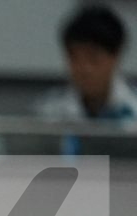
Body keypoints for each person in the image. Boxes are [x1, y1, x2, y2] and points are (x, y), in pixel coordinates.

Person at [37, 5, 136, 151]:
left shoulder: (133, 110)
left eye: (93, 58)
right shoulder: (48, 114)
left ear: (116, 57)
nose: (84, 68)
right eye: (74, 58)